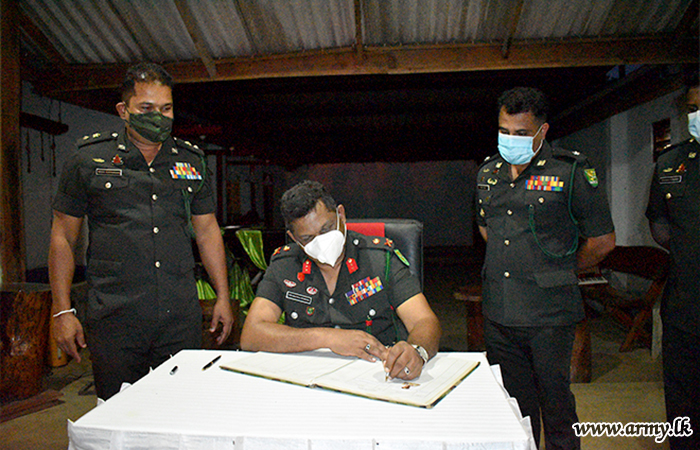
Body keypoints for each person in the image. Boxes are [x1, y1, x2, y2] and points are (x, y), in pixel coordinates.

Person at [48, 62, 234, 400]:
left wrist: (222, 295)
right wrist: (62, 310)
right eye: (146, 109)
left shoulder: (191, 162)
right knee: (117, 411)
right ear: (124, 110)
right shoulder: (89, 160)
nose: (158, 117)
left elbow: (207, 230)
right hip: (115, 318)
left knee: (180, 409)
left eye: (166, 108)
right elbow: (63, 235)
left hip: (179, 317)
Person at [476, 87, 615, 449]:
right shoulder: (488, 172)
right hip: (499, 313)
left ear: (542, 131)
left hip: (550, 315)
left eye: (521, 133)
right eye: (504, 131)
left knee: (556, 406)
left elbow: (602, 241)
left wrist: (558, 268)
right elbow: (488, 230)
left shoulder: (570, 171)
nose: (511, 139)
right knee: (512, 407)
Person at [240, 180, 441, 380]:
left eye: (326, 229)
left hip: (377, 374)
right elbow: (251, 334)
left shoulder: (380, 259)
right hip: (306, 375)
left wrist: (417, 352)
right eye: (308, 238)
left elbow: (424, 321)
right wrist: (327, 337)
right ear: (294, 238)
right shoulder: (284, 265)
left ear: (341, 215)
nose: (321, 242)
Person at [646, 73, 700, 449]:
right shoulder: (671, 163)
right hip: (684, 308)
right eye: (693, 108)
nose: (697, 115)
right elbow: (660, 226)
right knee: (683, 405)